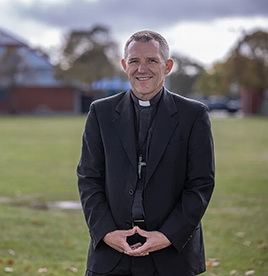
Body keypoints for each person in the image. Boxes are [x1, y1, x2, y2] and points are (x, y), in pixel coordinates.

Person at [77, 30, 215, 276]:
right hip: (110, 255)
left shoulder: (193, 115)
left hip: (173, 256)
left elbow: (200, 185)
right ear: (124, 65)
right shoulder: (101, 113)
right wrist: (106, 232)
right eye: (134, 61)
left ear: (168, 66)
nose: (142, 68)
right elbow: (89, 178)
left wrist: (166, 236)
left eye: (152, 60)